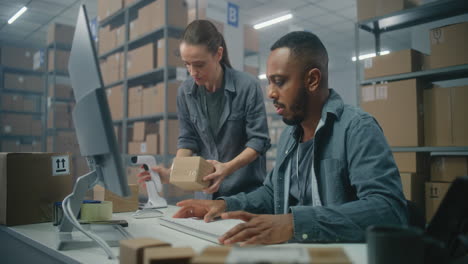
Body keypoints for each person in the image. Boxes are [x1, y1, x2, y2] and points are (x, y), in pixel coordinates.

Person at [172, 31, 408, 245]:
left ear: (312, 80)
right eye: (269, 82)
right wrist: (223, 204)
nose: (271, 93)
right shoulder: (290, 136)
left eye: (280, 81)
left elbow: (389, 209)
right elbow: (271, 193)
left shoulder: (356, 129)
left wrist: (294, 223)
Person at [137, 20, 270, 199]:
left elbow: (258, 141)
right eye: (187, 64)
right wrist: (172, 173)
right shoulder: (185, 92)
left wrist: (227, 168)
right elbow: (187, 140)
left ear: (218, 54)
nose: (192, 72)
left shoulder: (247, 86)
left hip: (245, 194)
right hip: (207, 195)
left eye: (199, 65)